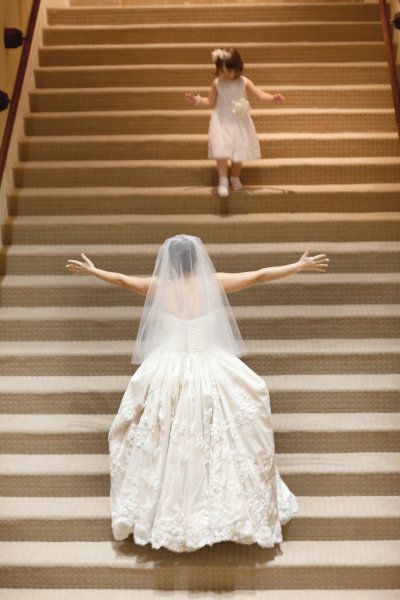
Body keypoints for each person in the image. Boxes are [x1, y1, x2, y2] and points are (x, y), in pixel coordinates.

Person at [65, 235, 329, 553]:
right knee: (224, 432)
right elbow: (259, 274)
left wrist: (95, 271)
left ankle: (167, 513)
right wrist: (297, 266)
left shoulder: (160, 287)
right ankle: (224, 512)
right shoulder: (212, 283)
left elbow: (121, 280)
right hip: (211, 365)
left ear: (170, 262)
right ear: (197, 259)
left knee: (164, 438)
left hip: (167, 368)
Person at [184, 47, 285, 198]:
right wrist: (197, 100)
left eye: (229, 72)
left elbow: (260, 94)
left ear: (238, 69)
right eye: (222, 71)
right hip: (221, 119)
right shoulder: (217, 83)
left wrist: (273, 98)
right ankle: (223, 180)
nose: (226, 75)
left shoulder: (244, 81)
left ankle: (235, 176)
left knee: (239, 152)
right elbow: (210, 102)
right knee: (222, 150)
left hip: (239, 120)